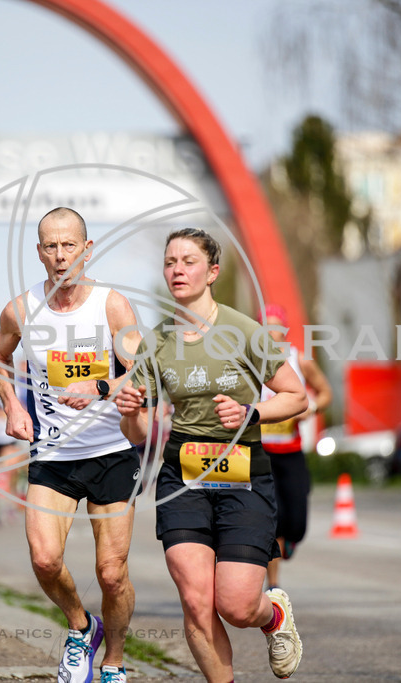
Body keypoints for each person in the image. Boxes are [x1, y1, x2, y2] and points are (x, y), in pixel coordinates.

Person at [115, 228, 308, 681]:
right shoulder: (157, 341)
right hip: (182, 475)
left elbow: (296, 396)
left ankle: (273, 615)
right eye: (170, 262)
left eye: (188, 261)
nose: (177, 269)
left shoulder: (243, 331)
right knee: (197, 602)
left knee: (237, 605)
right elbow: (140, 430)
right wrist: (131, 411)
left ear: (213, 271)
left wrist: (250, 411)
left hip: (243, 470)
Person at [0, 207, 142, 683]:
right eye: (50, 247)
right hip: (53, 455)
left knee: (111, 572)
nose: (60, 256)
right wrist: (14, 407)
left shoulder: (111, 306)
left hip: (111, 451)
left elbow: (142, 368)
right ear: (39, 253)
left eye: (69, 245)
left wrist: (102, 389)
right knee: (44, 558)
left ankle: (114, 662)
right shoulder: (20, 309)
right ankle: (81, 628)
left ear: (86, 249)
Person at [258, 304, 332, 591]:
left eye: (275, 325)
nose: (270, 331)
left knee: (296, 524)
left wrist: (310, 408)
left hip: (291, 452)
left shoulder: (299, 361)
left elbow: (326, 393)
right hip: (263, 455)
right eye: (265, 325)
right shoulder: (253, 363)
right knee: (271, 522)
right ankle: (273, 586)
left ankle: (290, 540)